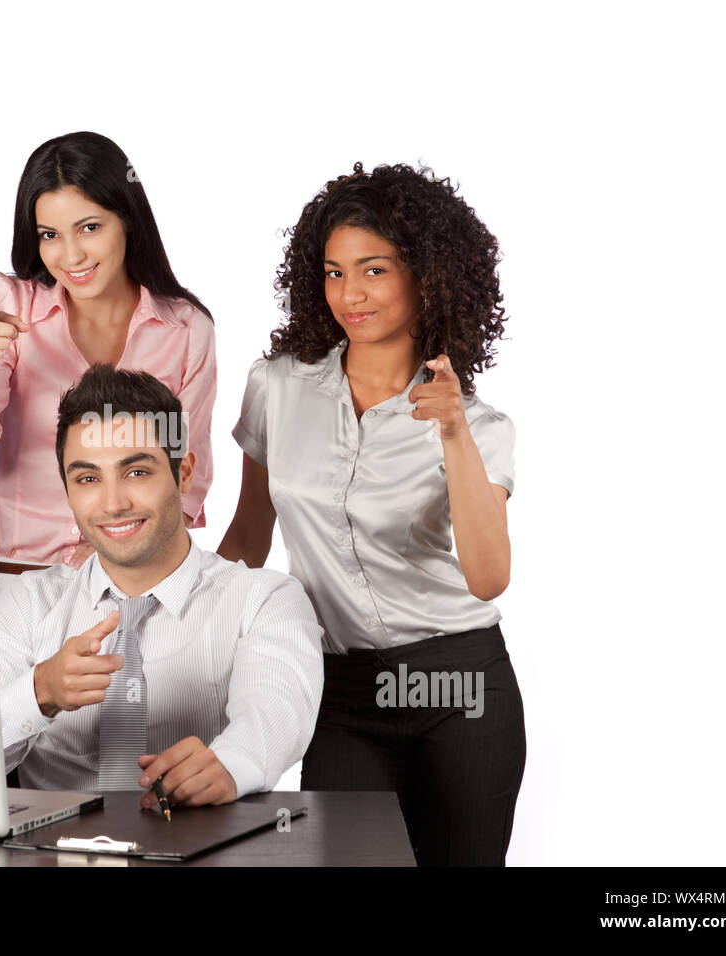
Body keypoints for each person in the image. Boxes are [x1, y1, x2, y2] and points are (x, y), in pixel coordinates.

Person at [217, 162, 526, 865]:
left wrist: (452, 434)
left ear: (427, 275)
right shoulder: (276, 387)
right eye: (332, 272)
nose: (349, 295)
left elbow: (488, 577)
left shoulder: (481, 424)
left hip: (462, 688)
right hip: (343, 692)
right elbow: (248, 536)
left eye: (374, 270)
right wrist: (173, 612)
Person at [0, 365, 323, 805]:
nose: (113, 503)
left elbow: (276, 712)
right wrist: (39, 692)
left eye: (137, 472)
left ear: (184, 474)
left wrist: (229, 766)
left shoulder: (263, 601)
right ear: (67, 490)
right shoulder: (26, 607)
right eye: (88, 479)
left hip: (200, 849)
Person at [0, 132, 217, 622]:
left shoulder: (185, 328)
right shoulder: (8, 307)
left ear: (126, 218)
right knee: (13, 702)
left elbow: (184, 482)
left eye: (89, 227)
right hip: (16, 590)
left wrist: (112, 552)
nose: (71, 255)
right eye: (49, 235)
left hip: (135, 586)